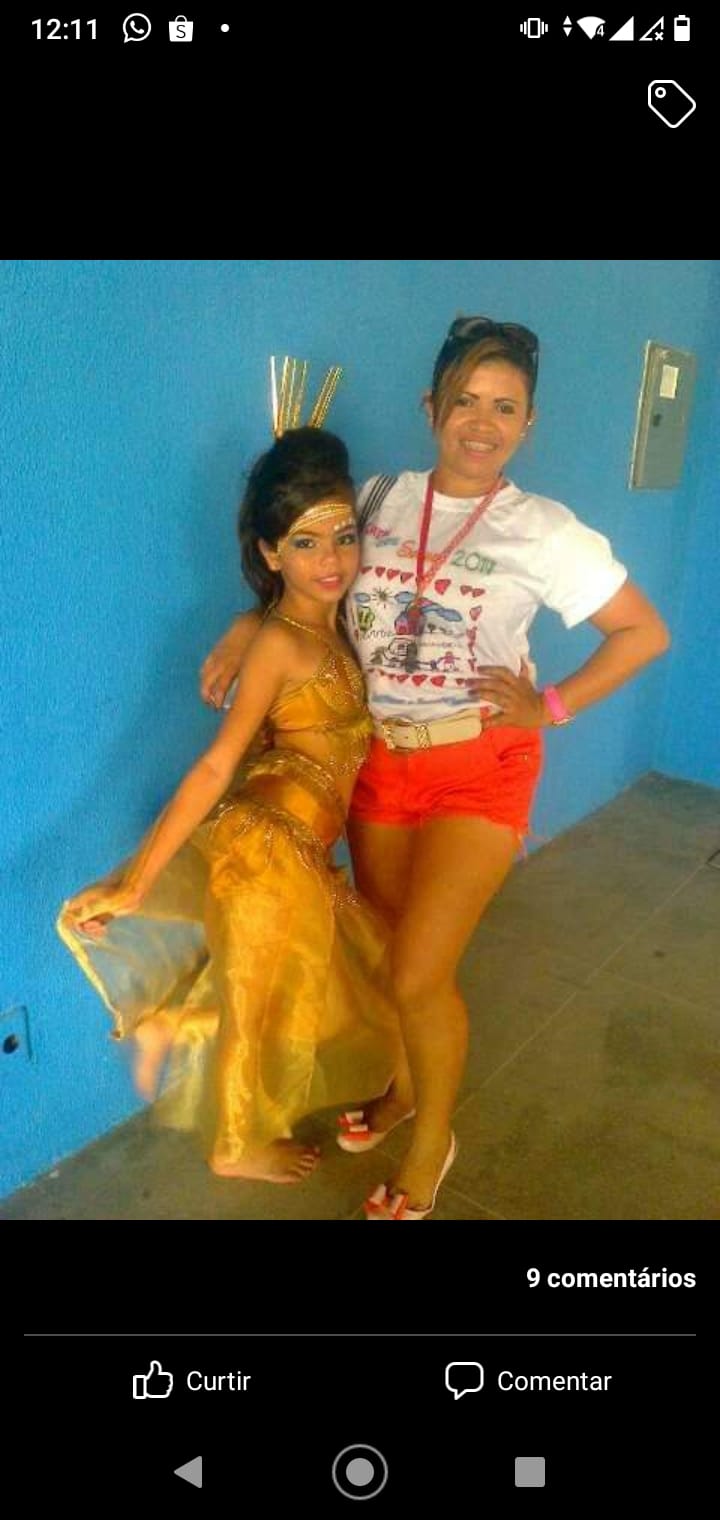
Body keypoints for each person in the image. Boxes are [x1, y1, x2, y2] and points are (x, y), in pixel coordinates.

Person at [200, 315, 671, 1220]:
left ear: (528, 423)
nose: (482, 423)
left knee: (420, 972)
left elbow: (642, 631)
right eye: (465, 401)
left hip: (481, 767)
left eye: (505, 407)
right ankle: (406, 1088)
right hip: (384, 763)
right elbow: (310, 574)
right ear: (431, 408)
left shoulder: (544, 531)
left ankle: (430, 1142)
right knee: (390, 956)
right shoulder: (378, 500)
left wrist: (552, 704)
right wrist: (246, 621)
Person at [57, 425, 402, 1186]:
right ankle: (233, 1146)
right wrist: (137, 881)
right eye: (306, 543)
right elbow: (217, 763)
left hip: (298, 853)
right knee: (263, 1004)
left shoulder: (331, 621)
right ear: (271, 552)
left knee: (315, 1000)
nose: (332, 559)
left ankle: (175, 1023)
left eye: (344, 536)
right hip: (268, 850)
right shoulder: (280, 644)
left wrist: (250, 617)